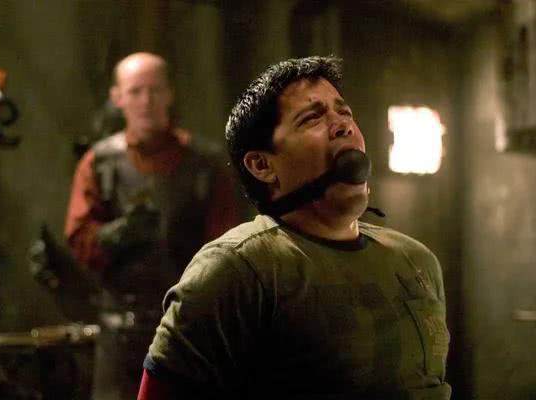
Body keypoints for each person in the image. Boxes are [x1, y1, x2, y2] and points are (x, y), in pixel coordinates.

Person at [138, 56, 451, 399]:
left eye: (344, 112)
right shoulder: (235, 271)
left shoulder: (416, 261)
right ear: (262, 165)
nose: (342, 125)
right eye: (312, 117)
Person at [64, 52, 240, 400]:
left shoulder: (204, 164)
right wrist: (116, 234)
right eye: (135, 91)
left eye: (155, 90)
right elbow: (79, 239)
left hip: (186, 330)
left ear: (169, 93)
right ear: (118, 97)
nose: (146, 101)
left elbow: (227, 250)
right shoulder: (99, 163)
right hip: (120, 334)